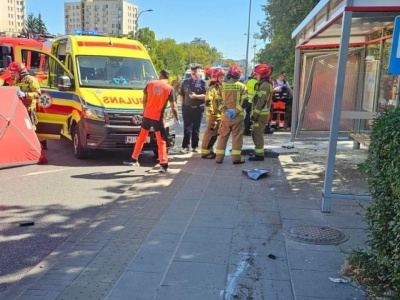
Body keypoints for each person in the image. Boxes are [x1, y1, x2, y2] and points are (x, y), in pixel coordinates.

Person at [123, 69, 179, 173]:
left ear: (160, 75)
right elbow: (174, 107)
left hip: (147, 116)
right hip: (157, 118)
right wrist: (177, 118)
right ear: (168, 77)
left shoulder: (150, 84)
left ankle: (134, 159)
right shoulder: (169, 89)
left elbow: (144, 100)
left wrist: (146, 111)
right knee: (161, 141)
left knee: (141, 137)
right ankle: (163, 164)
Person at [8, 61, 47, 149]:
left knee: (31, 130)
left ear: (20, 72)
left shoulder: (31, 80)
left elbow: (38, 95)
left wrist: (25, 95)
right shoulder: (16, 81)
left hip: (28, 110)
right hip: (19, 109)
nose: (12, 75)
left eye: (14, 73)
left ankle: (39, 144)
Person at [215, 65, 247, 164]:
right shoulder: (242, 86)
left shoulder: (222, 86)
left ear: (229, 75)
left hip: (225, 116)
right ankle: (236, 159)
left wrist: (225, 111)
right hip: (238, 116)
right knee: (237, 137)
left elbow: (217, 101)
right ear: (239, 75)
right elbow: (245, 101)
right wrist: (236, 111)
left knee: (222, 136)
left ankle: (219, 158)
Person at [179, 65, 208, 153]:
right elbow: (181, 94)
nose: (193, 73)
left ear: (199, 72)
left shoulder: (203, 83)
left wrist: (196, 96)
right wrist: (183, 104)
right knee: (187, 127)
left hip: (198, 108)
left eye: (195, 71)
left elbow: (206, 95)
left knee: (196, 128)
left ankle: (195, 146)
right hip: (187, 108)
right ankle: (186, 147)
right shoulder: (186, 82)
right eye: (192, 72)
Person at [249, 63, 273, 161]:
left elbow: (261, 102)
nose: (256, 75)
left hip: (261, 115)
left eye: (257, 74)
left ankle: (259, 155)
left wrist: (254, 114)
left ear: (262, 74)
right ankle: (257, 151)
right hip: (260, 115)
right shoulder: (263, 84)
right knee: (255, 133)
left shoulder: (265, 86)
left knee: (258, 134)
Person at [201, 67, 224, 159]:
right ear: (216, 77)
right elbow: (208, 102)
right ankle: (205, 152)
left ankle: (210, 150)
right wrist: (212, 112)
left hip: (219, 116)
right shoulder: (211, 89)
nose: (222, 79)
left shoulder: (220, 88)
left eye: (223, 77)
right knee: (209, 134)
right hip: (212, 116)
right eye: (221, 77)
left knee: (214, 135)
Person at [243, 72, 258, 136]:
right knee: (250, 116)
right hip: (252, 101)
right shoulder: (256, 82)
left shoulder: (247, 81)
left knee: (247, 116)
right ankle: (246, 130)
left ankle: (244, 129)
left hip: (247, 100)